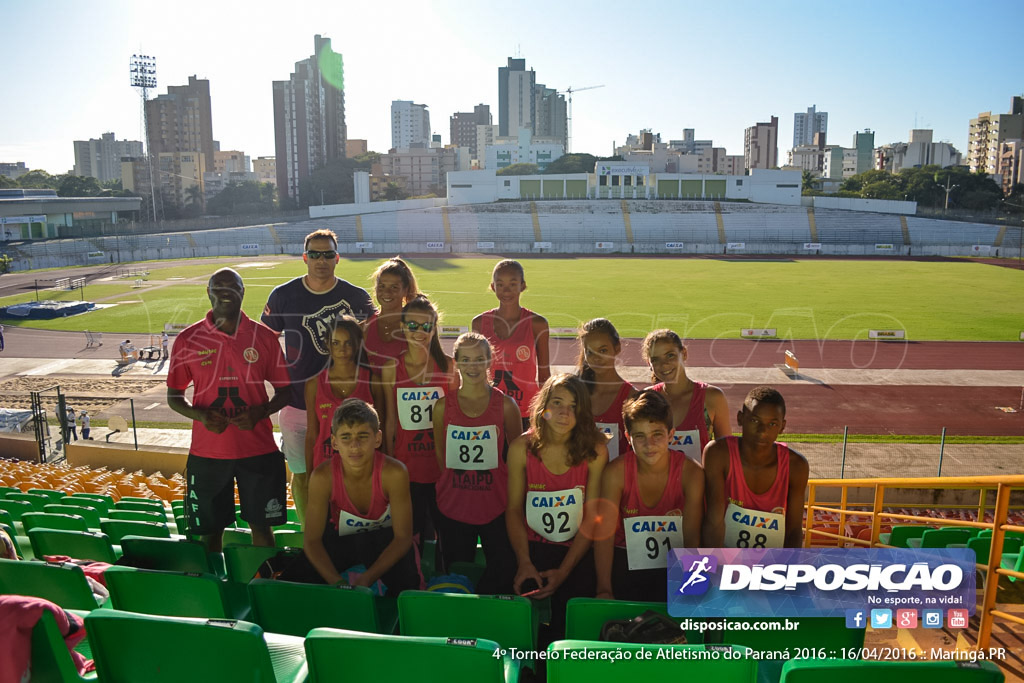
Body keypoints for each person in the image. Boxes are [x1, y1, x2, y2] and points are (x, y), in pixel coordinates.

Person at [167, 267, 292, 552]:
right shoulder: (188, 339)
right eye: (218, 287)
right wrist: (200, 415)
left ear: (243, 292)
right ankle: (215, 591)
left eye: (232, 286)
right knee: (210, 533)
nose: (225, 292)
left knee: (262, 529)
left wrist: (261, 412)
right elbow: (174, 396)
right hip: (208, 453)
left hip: (258, 450)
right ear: (208, 293)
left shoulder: (263, 337)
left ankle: (262, 587)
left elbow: (286, 390)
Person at [262, 229, 375, 526]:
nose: (321, 260)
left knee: (349, 472)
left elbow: (375, 341)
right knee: (302, 475)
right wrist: (283, 374)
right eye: (315, 254)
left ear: (337, 258)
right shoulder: (283, 295)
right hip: (298, 404)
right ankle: (307, 531)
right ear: (304, 258)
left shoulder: (356, 297)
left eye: (327, 254)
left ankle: (345, 531)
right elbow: (266, 340)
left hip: (347, 404)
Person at [506, 374, 608, 642]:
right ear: (543, 407)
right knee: (508, 604)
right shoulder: (520, 448)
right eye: (558, 403)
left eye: (573, 406)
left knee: (572, 618)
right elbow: (514, 509)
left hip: (575, 550)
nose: (565, 413)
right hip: (530, 547)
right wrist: (524, 562)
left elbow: (592, 517)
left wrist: (563, 572)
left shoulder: (595, 451)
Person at [296, 399, 421, 592]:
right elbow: (312, 541)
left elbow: (403, 538)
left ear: (377, 439)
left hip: (384, 541)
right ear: (334, 442)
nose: (354, 445)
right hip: (342, 541)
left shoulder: (394, 473)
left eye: (363, 436)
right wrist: (337, 583)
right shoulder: (322, 476)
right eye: (346, 437)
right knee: (301, 573)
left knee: (406, 579)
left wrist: (367, 579)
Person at [432, 332, 522, 593]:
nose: (472, 366)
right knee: (455, 577)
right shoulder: (442, 407)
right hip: (454, 506)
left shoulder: (506, 405)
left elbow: (517, 458)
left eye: (479, 359)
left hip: (497, 505)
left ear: (489, 362)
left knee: (503, 573)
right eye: (466, 360)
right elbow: (442, 459)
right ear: (456, 362)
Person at [595, 390, 704, 602]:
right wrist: (604, 588)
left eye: (657, 435)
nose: (649, 444)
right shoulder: (615, 473)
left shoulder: (692, 473)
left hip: (674, 563)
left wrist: (692, 588)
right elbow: (604, 536)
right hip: (624, 559)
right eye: (640, 436)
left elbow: (692, 538)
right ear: (628, 438)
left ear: (671, 435)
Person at [381, 295, 456, 550]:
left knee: (445, 535)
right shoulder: (392, 368)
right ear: (403, 327)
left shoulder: (448, 367)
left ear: (435, 328)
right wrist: (390, 466)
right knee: (408, 537)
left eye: (426, 326)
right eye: (412, 326)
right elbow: (390, 421)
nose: (419, 332)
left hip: (441, 468)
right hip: (406, 467)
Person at [703, 385, 809, 549]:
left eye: (772, 424)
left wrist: (785, 571)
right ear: (740, 418)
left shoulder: (796, 466)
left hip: (771, 564)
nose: (762, 431)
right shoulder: (718, 453)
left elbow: (794, 531)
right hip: (725, 558)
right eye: (754, 420)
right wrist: (716, 568)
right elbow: (713, 520)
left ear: (782, 427)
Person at [472, 260, 550, 428]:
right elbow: (476, 371)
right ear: (493, 287)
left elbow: (544, 376)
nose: (506, 291)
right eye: (500, 285)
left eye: (512, 284)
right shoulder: (479, 323)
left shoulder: (537, 324)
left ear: (522, 286)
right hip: (489, 408)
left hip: (527, 411)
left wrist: (546, 415)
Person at [304, 316, 383, 473]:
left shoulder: (372, 381)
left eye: (348, 343)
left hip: (364, 469)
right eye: (336, 343)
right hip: (325, 467)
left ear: (357, 345)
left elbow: (381, 431)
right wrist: (309, 476)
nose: (342, 349)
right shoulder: (314, 384)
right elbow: (312, 434)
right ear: (327, 344)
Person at [642, 329, 730, 462]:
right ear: (649, 364)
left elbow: (727, 454)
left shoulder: (712, 398)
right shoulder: (646, 400)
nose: (664, 364)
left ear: (683, 353)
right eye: (655, 359)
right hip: (656, 483)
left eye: (670, 355)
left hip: (700, 482)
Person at [574, 318, 637, 461]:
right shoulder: (573, 393)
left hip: (617, 480)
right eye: (590, 352)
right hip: (579, 479)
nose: (597, 358)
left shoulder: (632, 397)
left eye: (603, 350)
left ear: (617, 348)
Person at [364, 257, 419, 374]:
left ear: (405, 290)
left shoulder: (417, 326)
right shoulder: (364, 328)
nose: (387, 292)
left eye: (394, 287)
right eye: (382, 286)